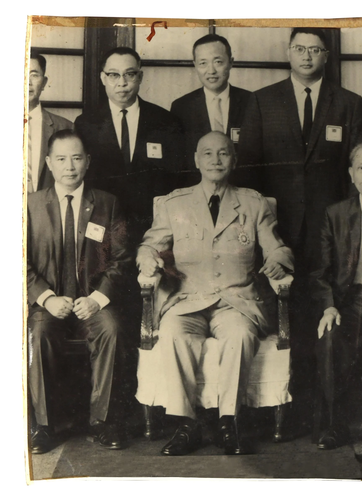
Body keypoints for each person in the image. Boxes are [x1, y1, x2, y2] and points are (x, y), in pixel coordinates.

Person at [237, 28, 362, 430]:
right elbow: (249, 168)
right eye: (299, 49)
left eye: (315, 50)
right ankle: (281, 407)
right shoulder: (263, 100)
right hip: (275, 227)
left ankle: (321, 410)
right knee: (281, 310)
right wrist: (260, 227)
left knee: (325, 308)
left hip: (331, 229)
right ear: (288, 52)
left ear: (326, 56)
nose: (307, 56)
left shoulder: (348, 103)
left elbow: (356, 169)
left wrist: (350, 227)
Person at [136, 131, 294, 456]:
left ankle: (228, 422)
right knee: (172, 333)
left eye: (223, 154)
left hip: (235, 301)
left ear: (233, 160)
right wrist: (147, 257)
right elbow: (149, 245)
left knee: (240, 336)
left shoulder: (253, 203)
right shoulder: (174, 203)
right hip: (187, 299)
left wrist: (278, 261)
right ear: (196, 160)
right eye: (208, 154)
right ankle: (186, 424)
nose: (216, 160)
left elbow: (277, 248)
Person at [27, 130, 132, 454]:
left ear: (87, 161)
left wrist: (97, 299)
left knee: (112, 329)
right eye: (61, 159)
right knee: (41, 333)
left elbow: (121, 259)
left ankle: (104, 422)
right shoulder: (30, 205)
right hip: (51, 303)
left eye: (76, 158)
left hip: (93, 302)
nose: (69, 166)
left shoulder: (107, 203)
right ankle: (46, 426)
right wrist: (47, 297)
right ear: (48, 163)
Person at [311, 141, 362, 456]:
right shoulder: (336, 214)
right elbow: (320, 271)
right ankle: (335, 426)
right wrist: (329, 306)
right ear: (350, 173)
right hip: (348, 302)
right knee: (330, 337)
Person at [74, 46, 184, 246]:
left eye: (129, 74)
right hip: (102, 224)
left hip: (153, 228)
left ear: (140, 76)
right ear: (103, 78)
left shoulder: (165, 121)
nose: (122, 83)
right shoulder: (86, 124)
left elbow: (175, 180)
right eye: (114, 75)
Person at [171, 34, 251, 184]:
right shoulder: (181, 107)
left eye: (218, 62)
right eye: (203, 63)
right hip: (197, 193)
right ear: (195, 65)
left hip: (243, 190)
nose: (211, 70)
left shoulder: (251, 102)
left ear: (231, 62)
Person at [28, 51, 73, 193]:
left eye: (34, 75)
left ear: (44, 82)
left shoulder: (64, 127)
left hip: (48, 212)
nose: (27, 81)